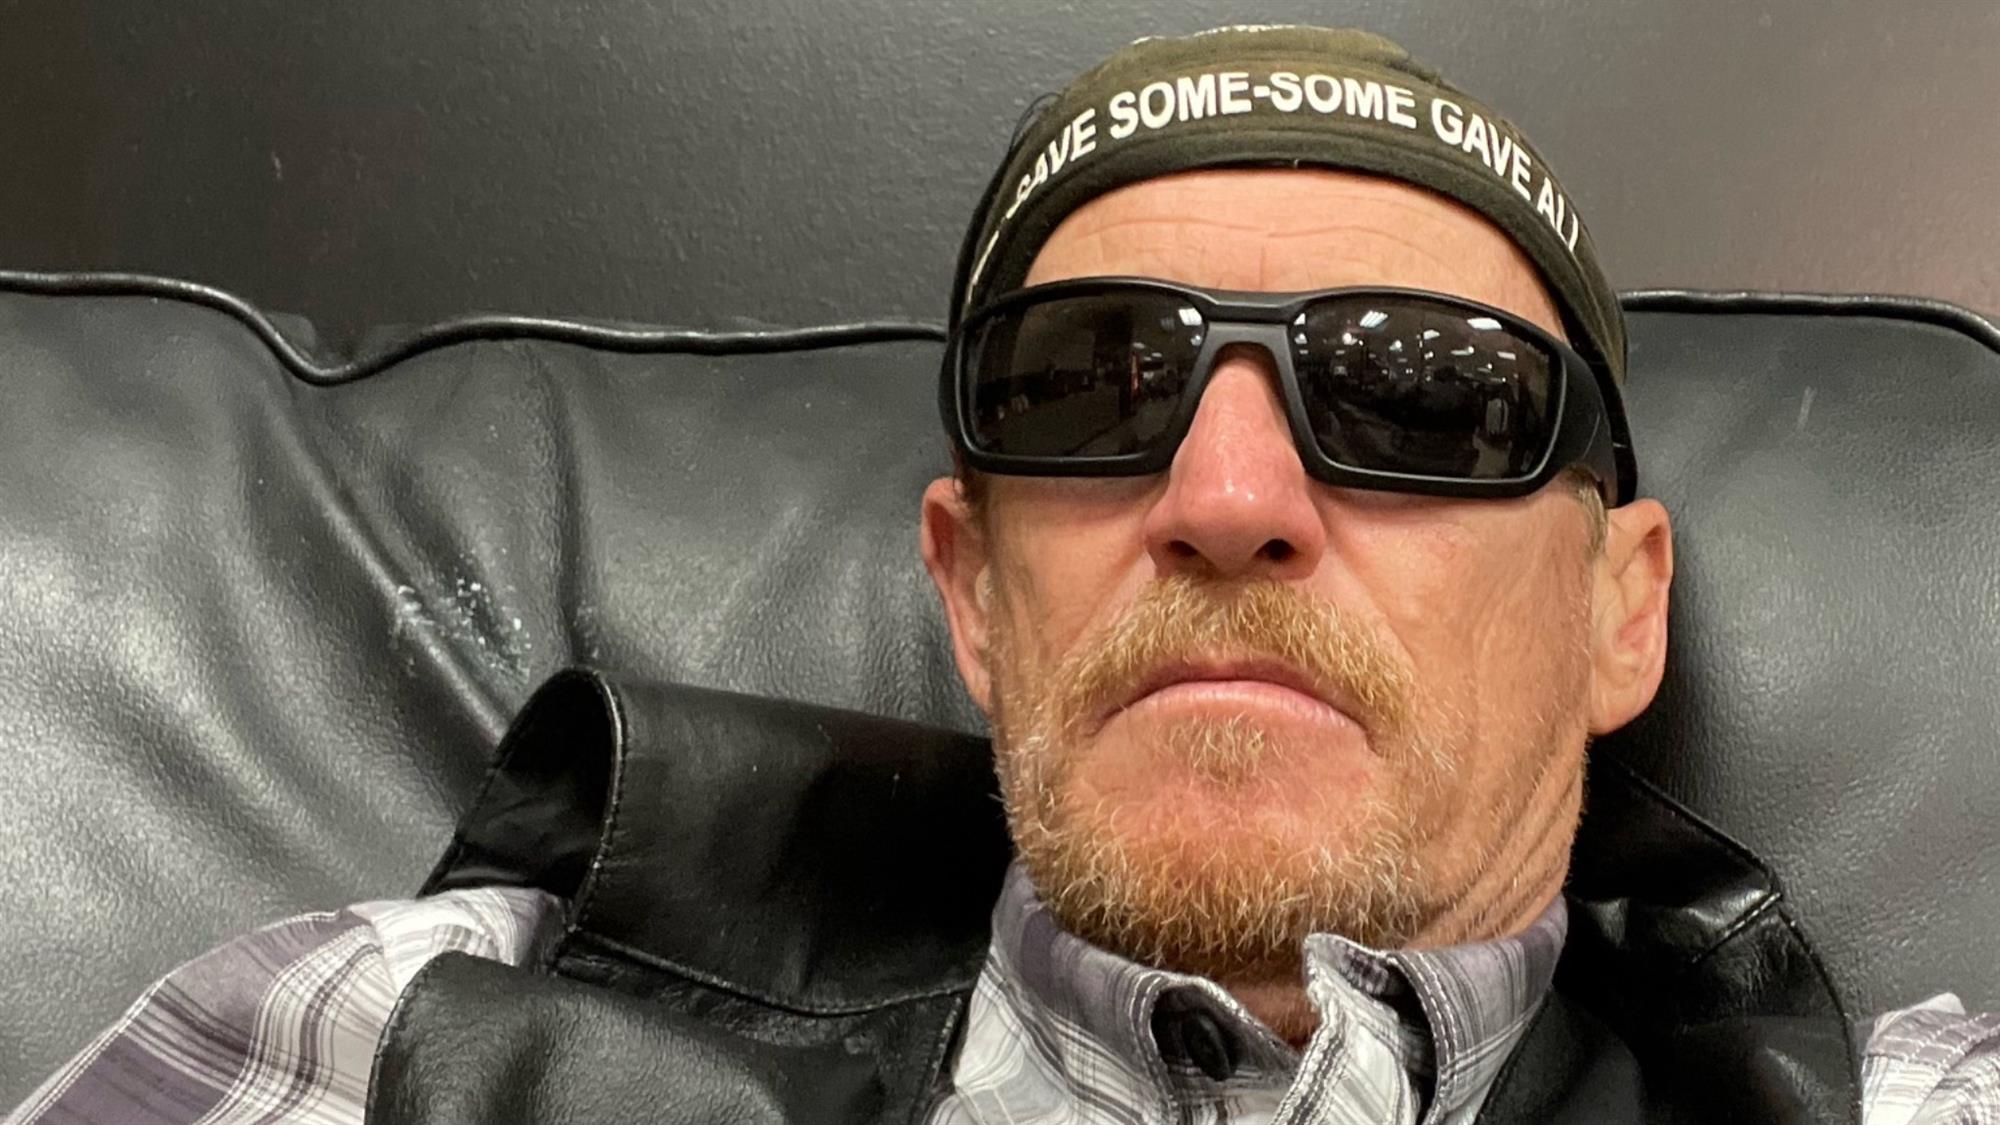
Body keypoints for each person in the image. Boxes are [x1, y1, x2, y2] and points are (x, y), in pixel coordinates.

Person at [8, 24, 1997, 1125]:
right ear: (970, 591)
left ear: (1618, 609)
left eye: (1423, 397)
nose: (1227, 490)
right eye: (1088, 383)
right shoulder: (400, 1048)